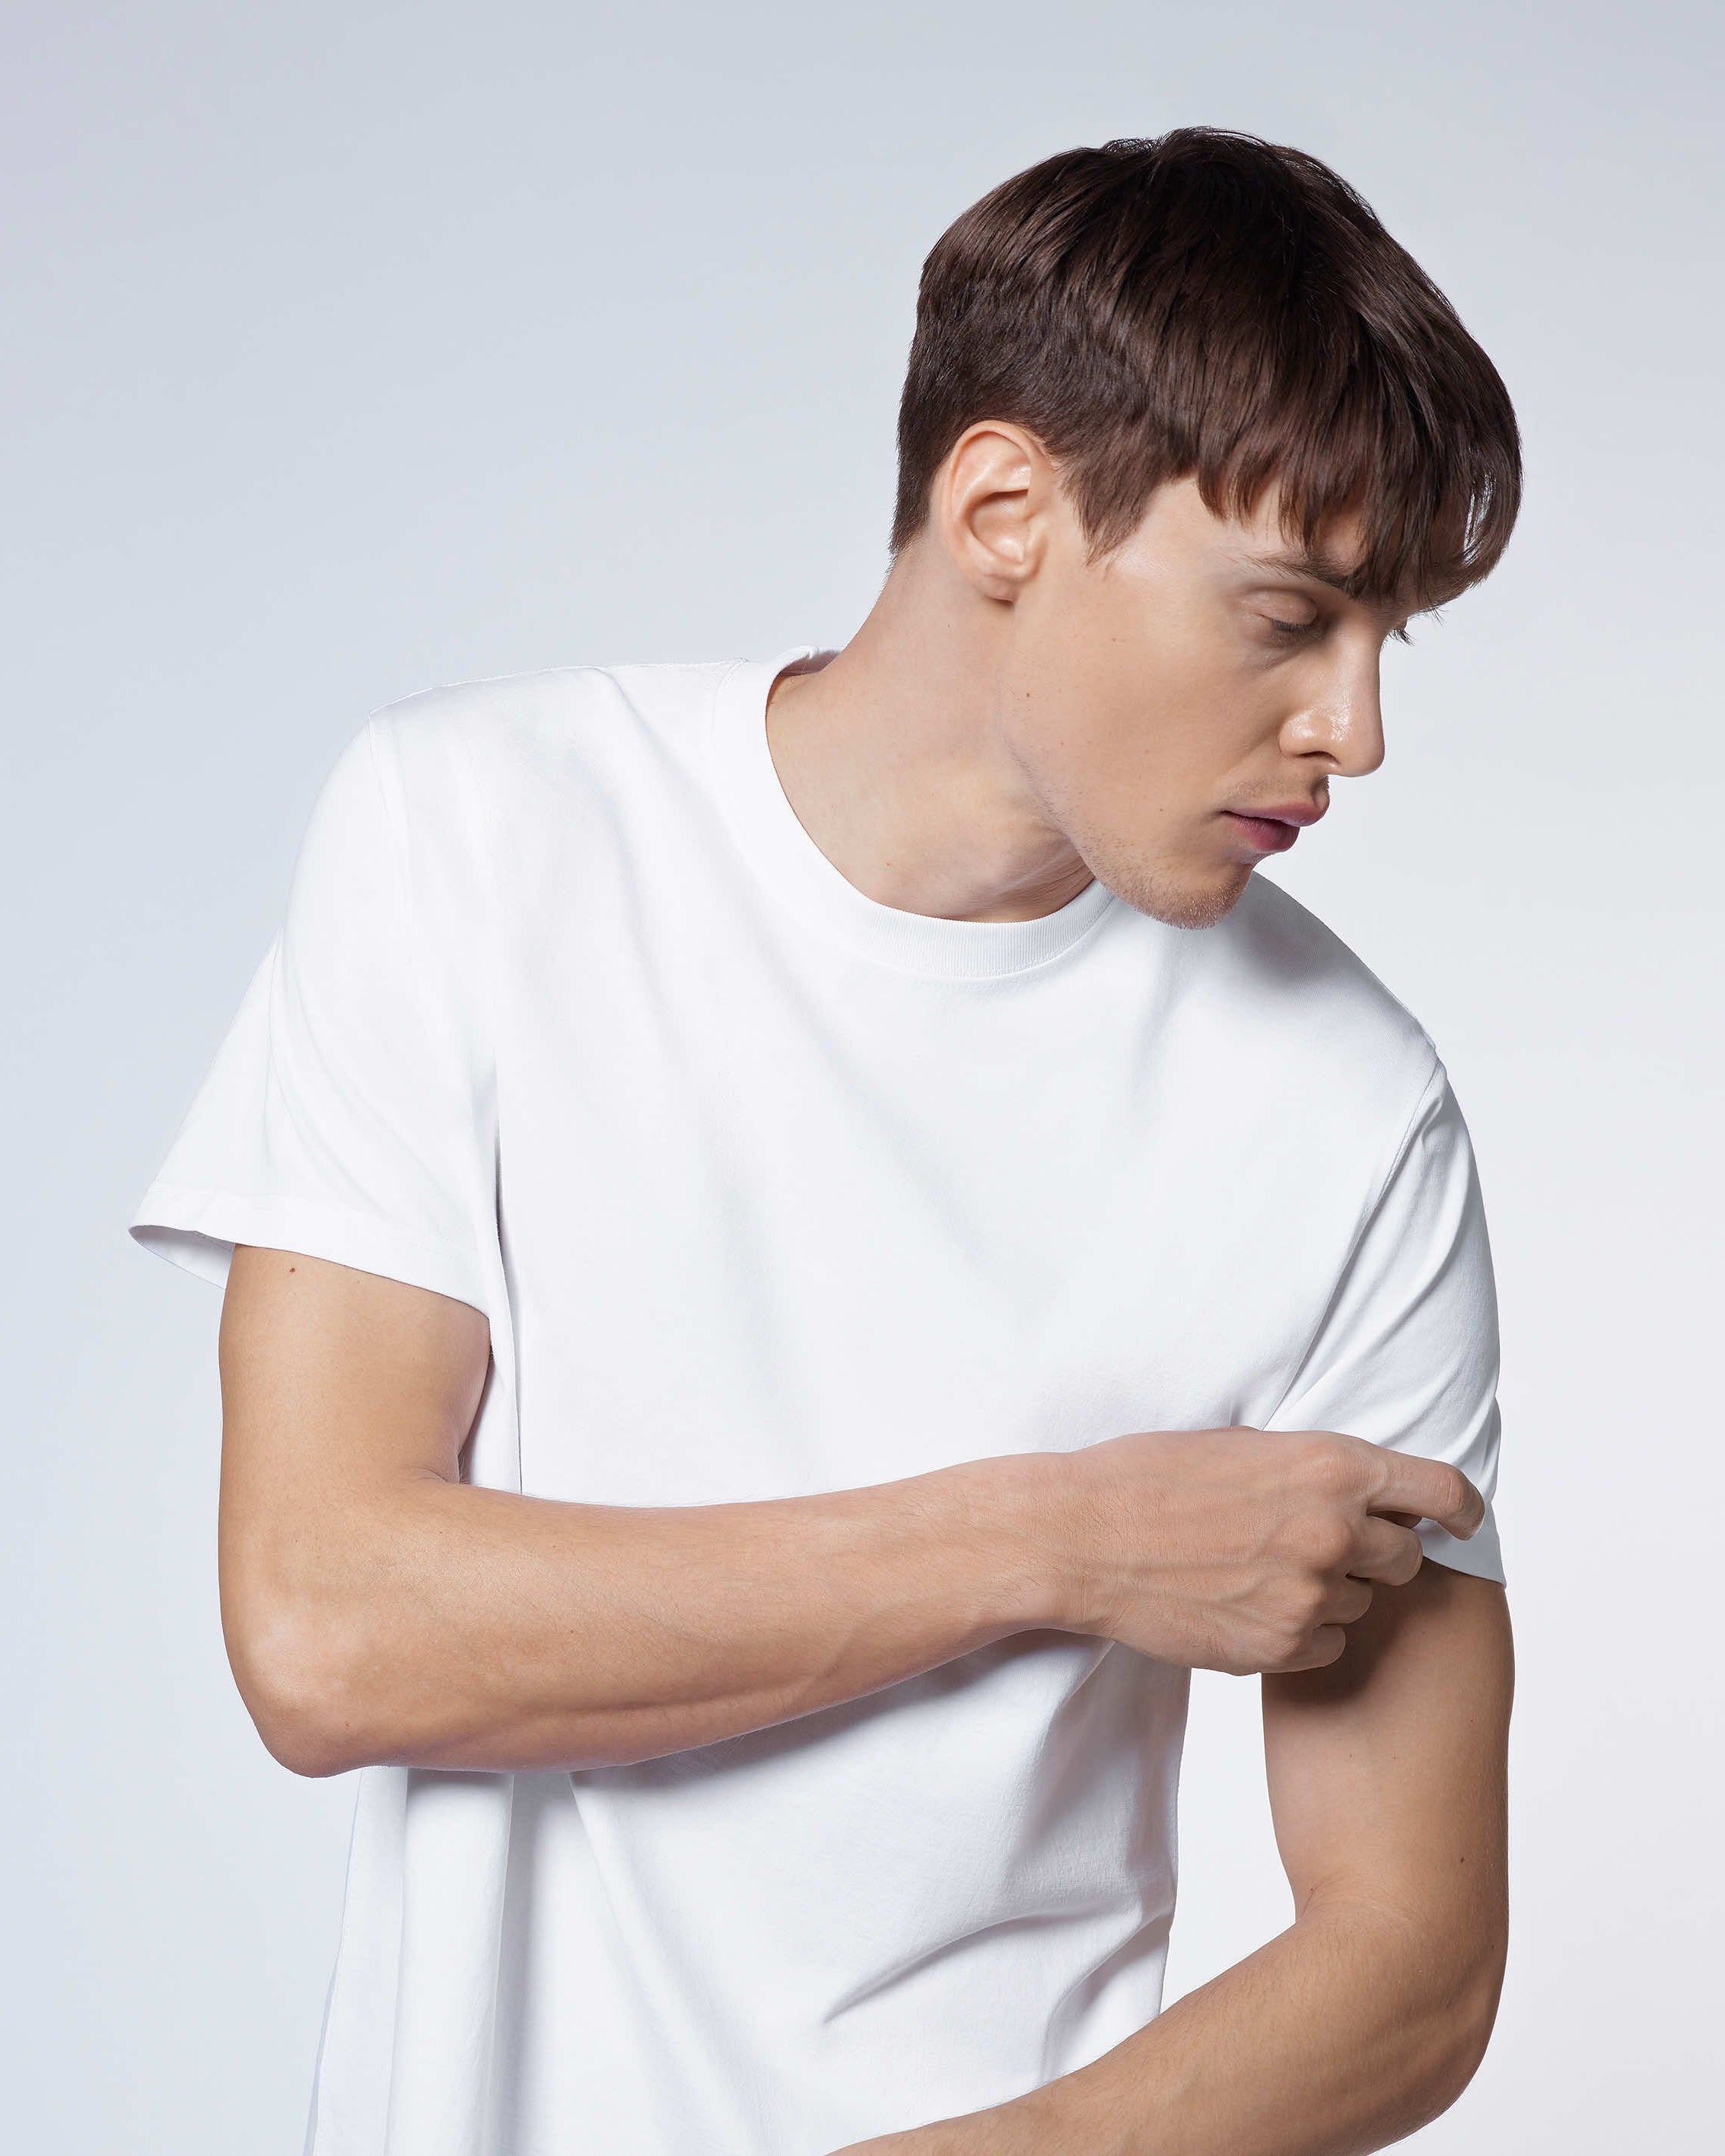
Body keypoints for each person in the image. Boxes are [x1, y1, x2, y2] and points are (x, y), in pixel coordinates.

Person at [132, 127, 1518, 2156]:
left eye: (1388, 641)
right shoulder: (481, 835)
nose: (1355, 729)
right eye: (1289, 619)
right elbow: (329, 1626)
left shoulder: (1347, 1110)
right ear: (1003, 510)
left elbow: (1412, 1956)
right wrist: (1072, 1540)